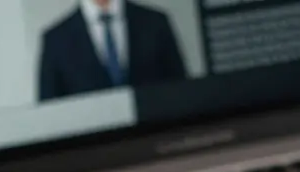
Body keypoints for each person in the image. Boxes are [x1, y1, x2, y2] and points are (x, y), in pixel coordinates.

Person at [38, 0, 188, 102]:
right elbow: (50, 116)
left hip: (159, 135)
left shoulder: (156, 23)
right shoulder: (55, 40)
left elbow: (181, 94)